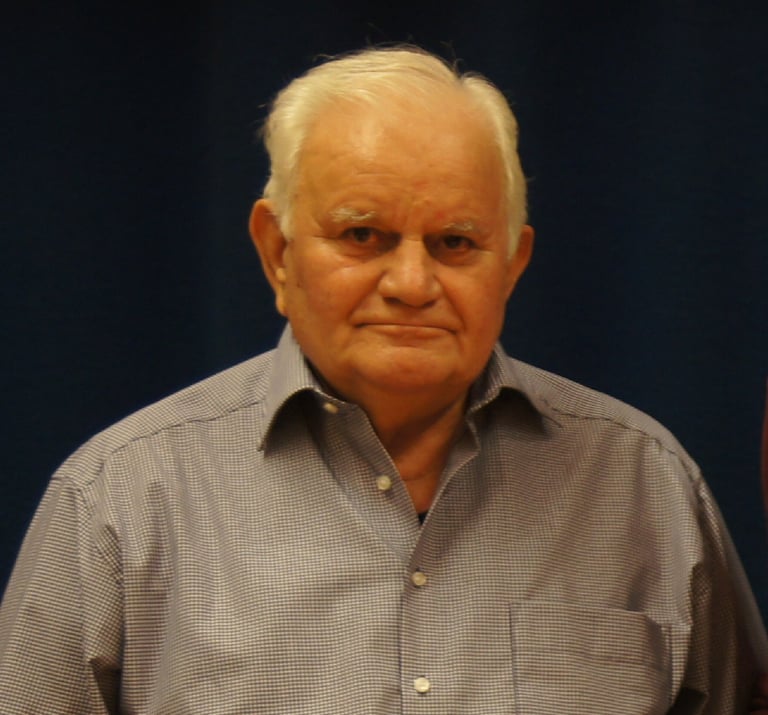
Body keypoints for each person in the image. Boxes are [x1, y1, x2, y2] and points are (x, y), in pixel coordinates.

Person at [0, 46, 765, 714]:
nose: (410, 283)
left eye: (455, 242)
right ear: (277, 253)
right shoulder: (119, 502)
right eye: (363, 234)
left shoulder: (644, 488)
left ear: (511, 264)